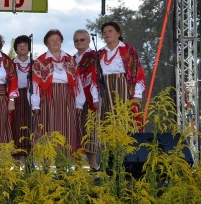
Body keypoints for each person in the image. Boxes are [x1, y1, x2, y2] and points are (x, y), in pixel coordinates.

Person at [31, 29, 85, 155]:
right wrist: (35, 104)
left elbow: (77, 83)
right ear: (47, 43)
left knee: (67, 128)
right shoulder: (40, 61)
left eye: (58, 40)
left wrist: (79, 103)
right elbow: (35, 84)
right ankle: (48, 162)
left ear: (61, 42)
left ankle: (64, 162)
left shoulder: (70, 60)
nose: (55, 42)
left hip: (67, 98)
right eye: (52, 40)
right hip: (48, 98)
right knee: (48, 129)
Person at [96, 21, 146, 125]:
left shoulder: (128, 50)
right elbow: (95, 77)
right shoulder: (100, 53)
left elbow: (138, 72)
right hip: (106, 91)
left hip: (125, 88)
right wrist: (95, 98)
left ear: (118, 33)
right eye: (104, 32)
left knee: (127, 120)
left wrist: (137, 94)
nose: (107, 33)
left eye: (110, 31)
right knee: (108, 121)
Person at [72, 29, 100, 169]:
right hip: (75, 98)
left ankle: (93, 165)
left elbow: (97, 78)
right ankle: (78, 165)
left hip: (90, 96)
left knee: (90, 131)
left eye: (82, 39)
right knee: (76, 130)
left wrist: (96, 98)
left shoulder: (95, 57)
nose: (79, 42)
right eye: (76, 40)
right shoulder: (71, 59)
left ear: (88, 41)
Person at [12, 35, 32, 159]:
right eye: (19, 46)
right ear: (16, 48)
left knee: (31, 125)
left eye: (25, 45)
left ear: (29, 48)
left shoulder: (35, 63)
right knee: (16, 125)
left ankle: (30, 160)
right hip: (16, 96)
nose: (22, 48)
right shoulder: (11, 63)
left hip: (31, 96)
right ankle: (16, 161)